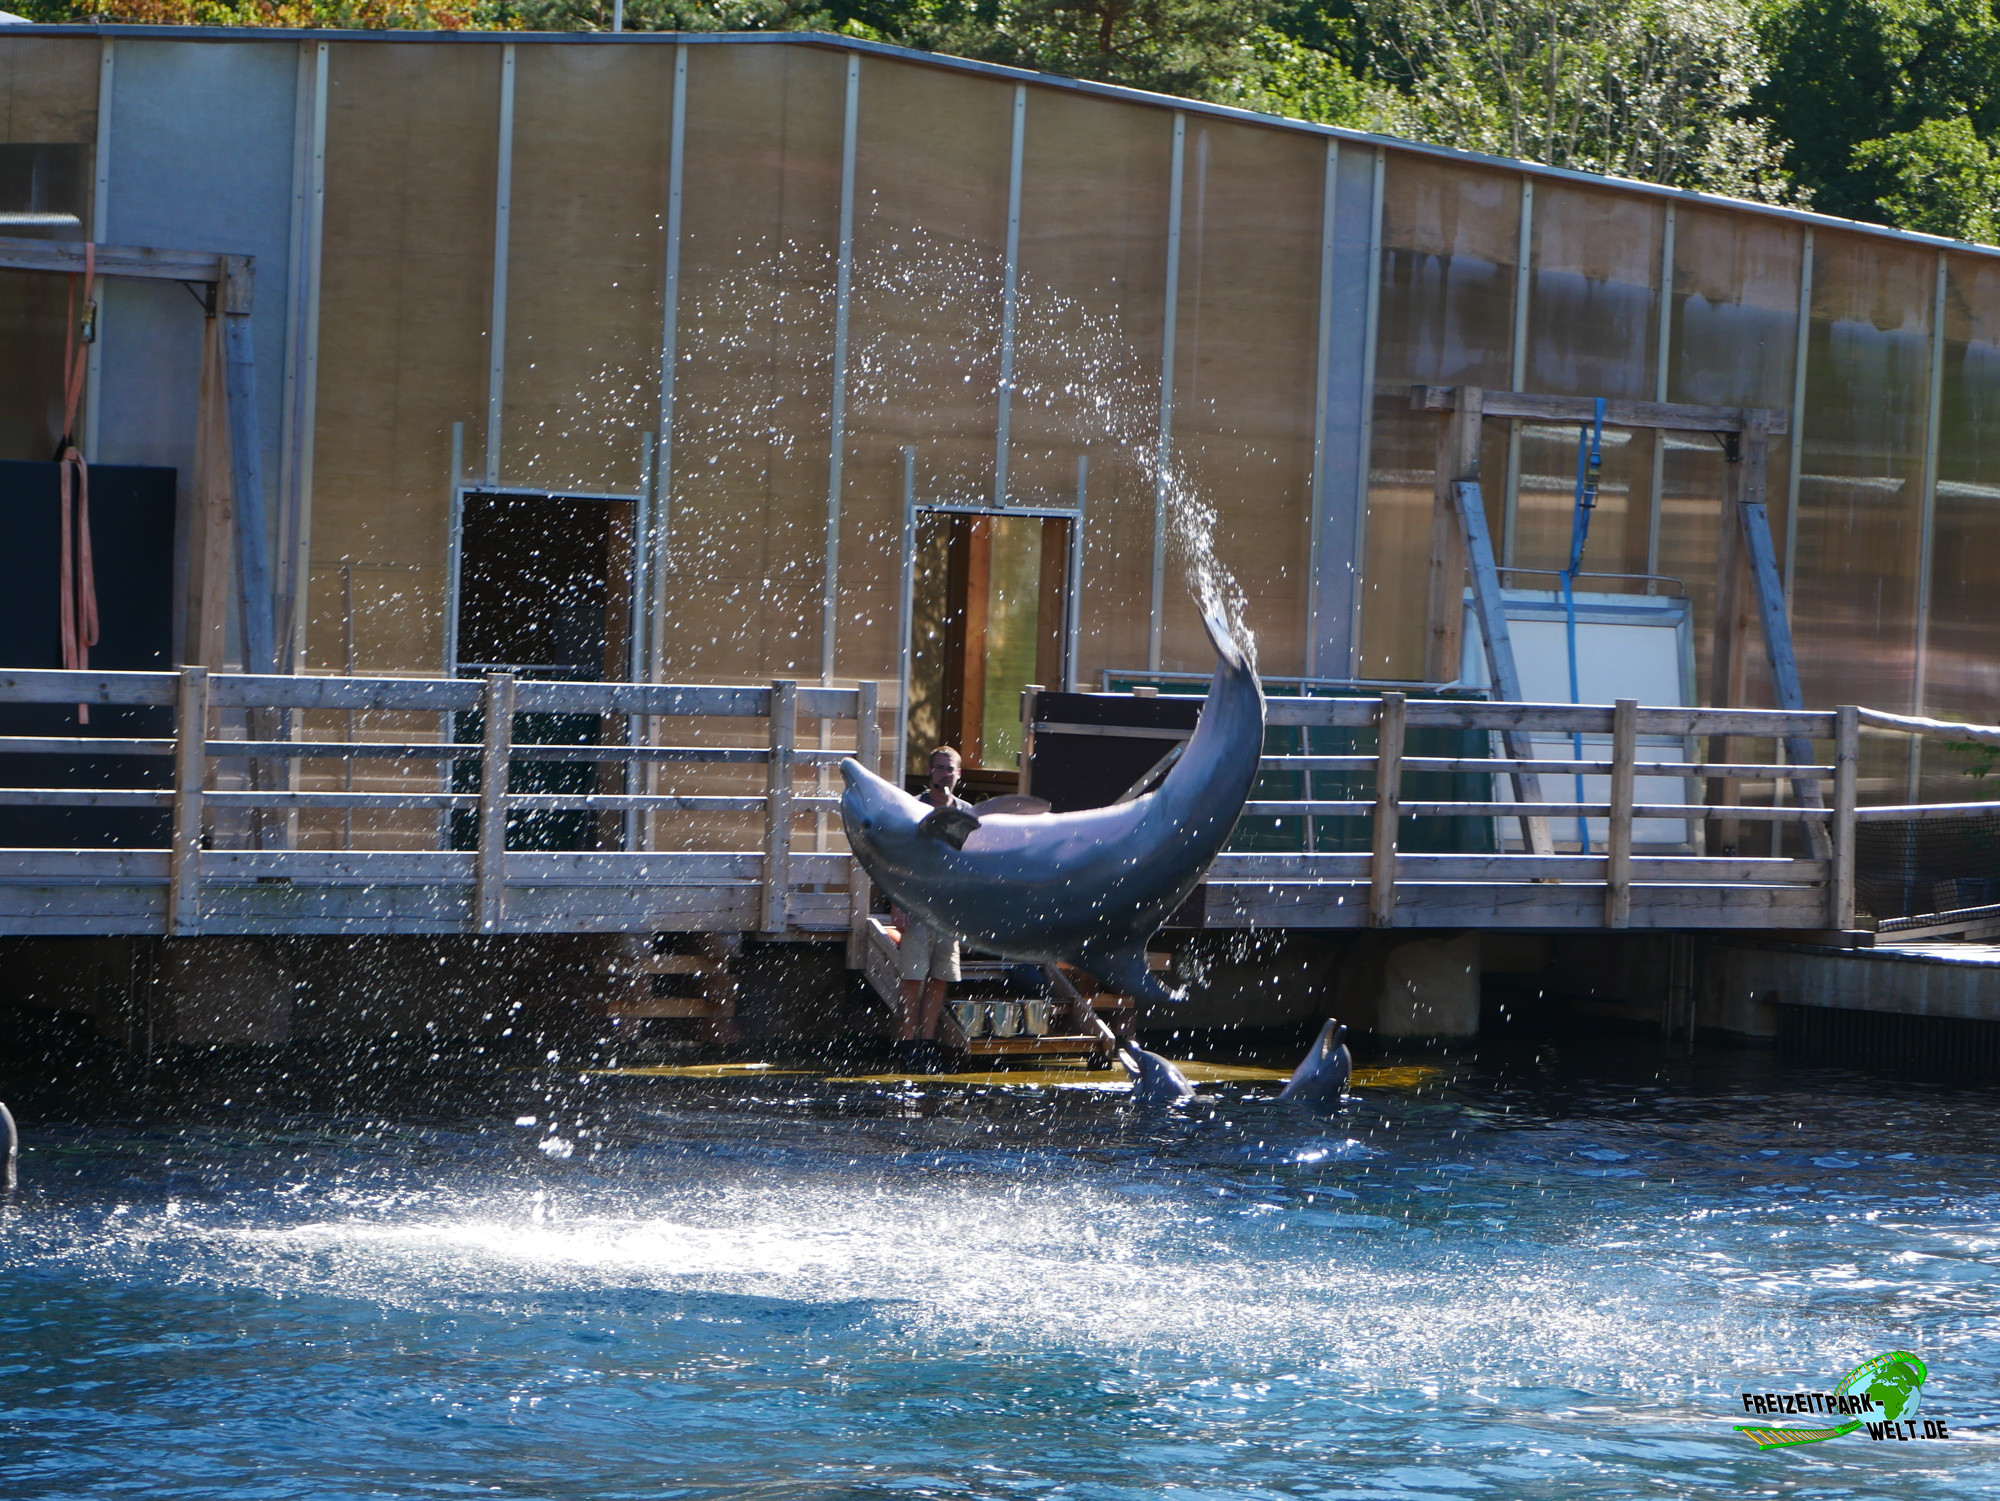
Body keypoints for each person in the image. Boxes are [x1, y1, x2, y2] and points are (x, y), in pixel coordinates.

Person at [892, 745, 969, 1068]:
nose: (944, 774)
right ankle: (906, 1043)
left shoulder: (966, 812)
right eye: (939, 768)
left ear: (958, 774)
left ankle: (927, 1042)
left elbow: (971, 863)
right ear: (929, 772)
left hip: (948, 911)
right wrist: (897, 904)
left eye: (949, 769)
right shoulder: (913, 807)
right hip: (916, 905)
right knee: (913, 979)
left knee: (940, 979)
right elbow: (898, 859)